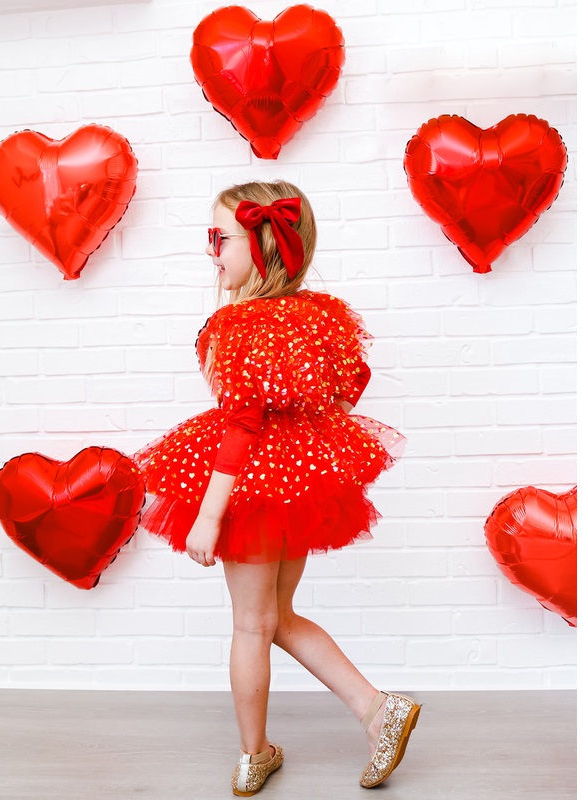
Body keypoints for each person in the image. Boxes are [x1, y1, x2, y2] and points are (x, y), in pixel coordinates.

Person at [133, 180, 420, 796]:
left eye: (220, 239)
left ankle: (253, 756)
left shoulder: (235, 324)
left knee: (250, 625)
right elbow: (352, 383)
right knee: (275, 617)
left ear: (261, 246)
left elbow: (240, 425)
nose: (210, 252)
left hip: (249, 488)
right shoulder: (323, 316)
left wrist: (209, 516)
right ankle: (378, 710)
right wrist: (308, 433)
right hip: (300, 482)